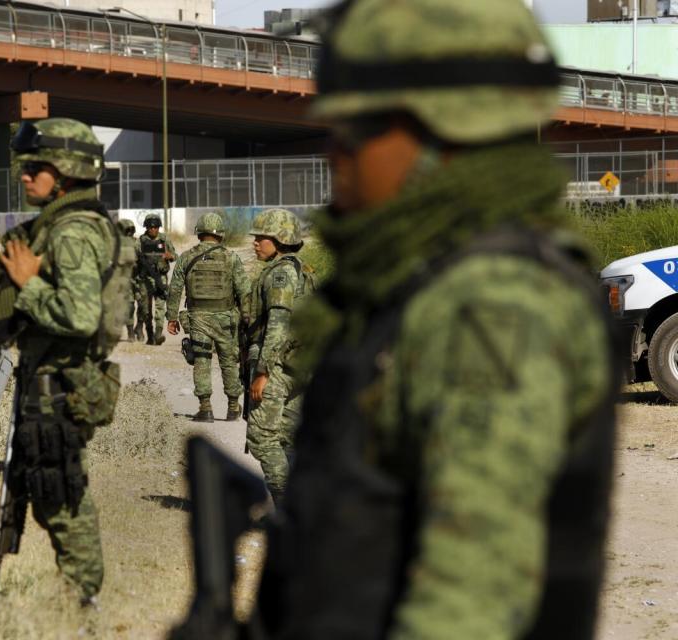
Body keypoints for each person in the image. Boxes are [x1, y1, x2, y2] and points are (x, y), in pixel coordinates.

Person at [251, 1, 621, 638]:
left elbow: (468, 606)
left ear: (442, 132)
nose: (333, 154)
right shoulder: (416, 284)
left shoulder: (495, 304)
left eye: (355, 130)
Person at [0, 118, 124, 605]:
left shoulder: (70, 231)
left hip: (61, 387)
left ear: (66, 172)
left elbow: (81, 316)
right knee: (51, 493)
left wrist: (29, 285)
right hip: (51, 381)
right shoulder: (64, 223)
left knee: (62, 494)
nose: (25, 176)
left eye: (37, 168)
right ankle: (79, 595)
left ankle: (83, 600)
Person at [244, 208, 310, 504]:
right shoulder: (302, 270)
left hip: (278, 367)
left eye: (262, 238)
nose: (256, 242)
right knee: (286, 439)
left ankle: (288, 510)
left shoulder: (280, 274)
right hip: (299, 367)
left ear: (281, 239)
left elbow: (278, 324)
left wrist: (263, 372)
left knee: (261, 439)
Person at [166, 212, 250, 422]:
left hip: (198, 318)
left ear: (199, 233)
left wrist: (171, 317)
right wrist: (248, 320)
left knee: (202, 361)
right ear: (221, 234)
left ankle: (205, 408)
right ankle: (233, 407)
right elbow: (244, 292)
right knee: (229, 362)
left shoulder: (186, 257)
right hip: (226, 320)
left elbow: (175, 289)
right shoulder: (231, 258)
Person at [135, 213, 177, 345]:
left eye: (156, 227)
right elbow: (134, 257)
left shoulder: (164, 240)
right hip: (145, 279)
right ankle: (148, 333)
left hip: (160, 278)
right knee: (145, 309)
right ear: (146, 228)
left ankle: (158, 334)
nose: (153, 230)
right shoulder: (140, 241)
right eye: (150, 227)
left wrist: (169, 256)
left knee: (160, 307)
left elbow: (175, 255)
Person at [117, 218, 139, 342]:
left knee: (130, 306)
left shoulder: (136, 244)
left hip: (130, 280)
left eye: (130, 231)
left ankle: (131, 333)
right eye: (126, 231)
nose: (128, 234)